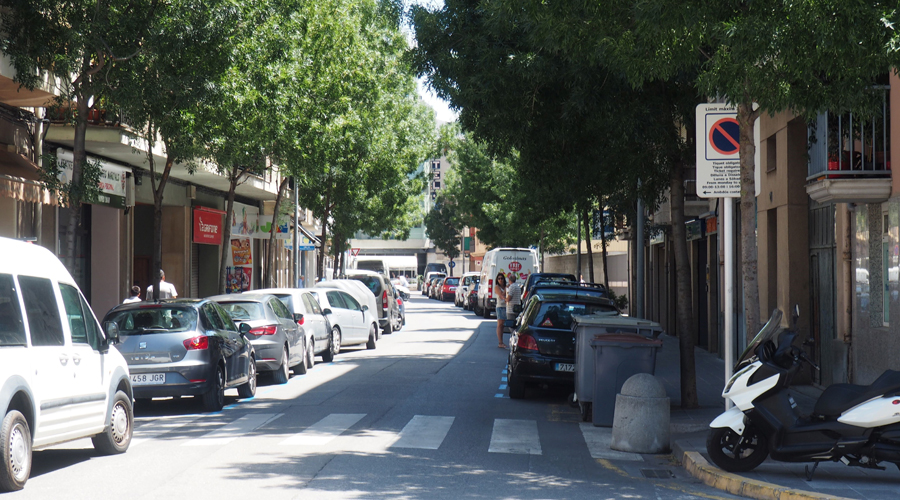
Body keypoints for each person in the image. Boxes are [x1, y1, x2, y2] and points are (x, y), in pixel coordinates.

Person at [494, 273, 508, 348]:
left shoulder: (505, 286)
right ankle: (500, 342)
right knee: (500, 324)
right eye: (499, 278)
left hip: (506, 307)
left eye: (501, 278)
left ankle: (501, 342)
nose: (500, 280)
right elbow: (501, 295)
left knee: (503, 325)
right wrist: (506, 289)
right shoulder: (497, 287)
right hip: (500, 307)